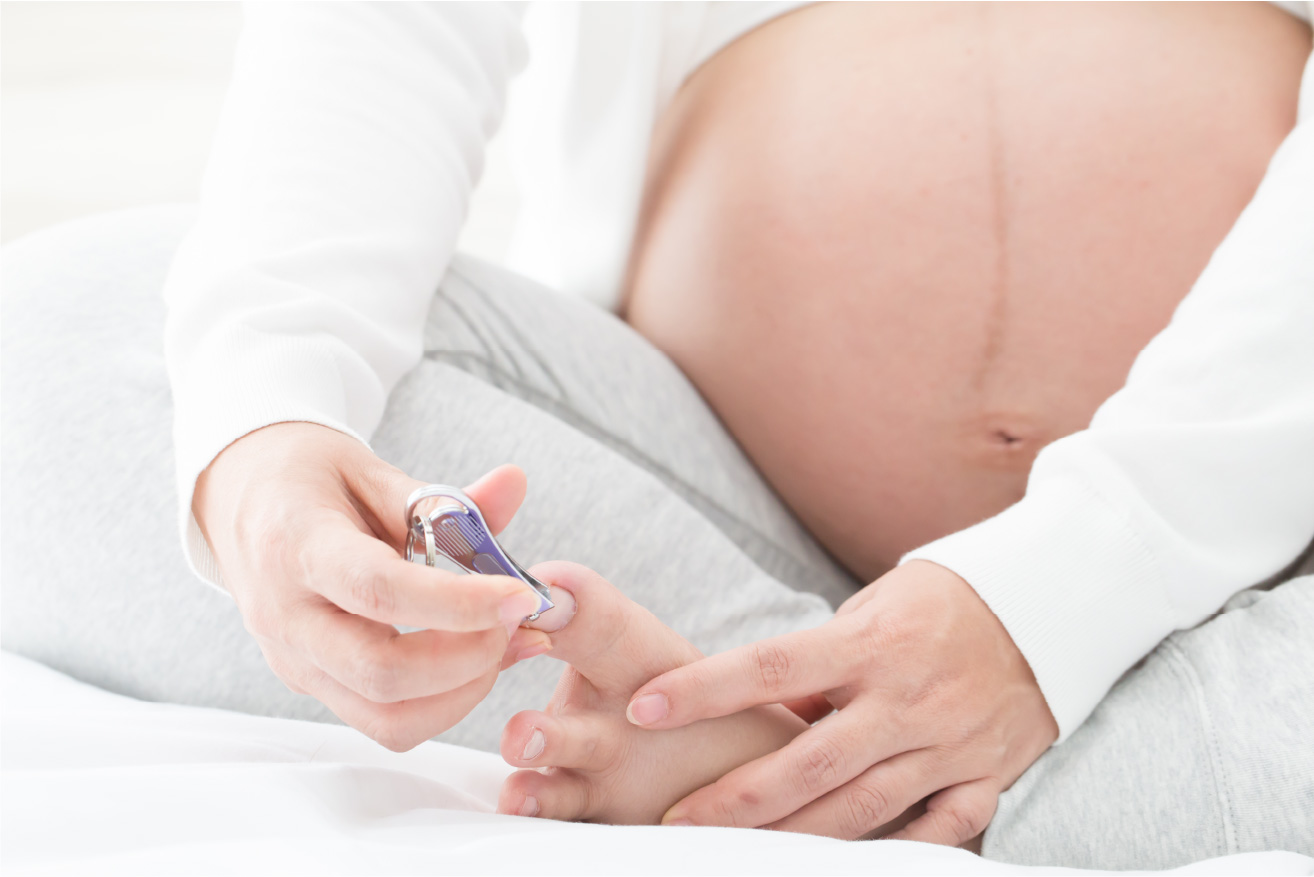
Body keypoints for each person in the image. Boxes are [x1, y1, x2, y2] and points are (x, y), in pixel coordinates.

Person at [3, 1, 1312, 869]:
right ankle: (761, 712)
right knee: (63, 344)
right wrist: (272, 431)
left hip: (1261, 560)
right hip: (700, 496)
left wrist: (1070, 585)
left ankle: (767, 766)